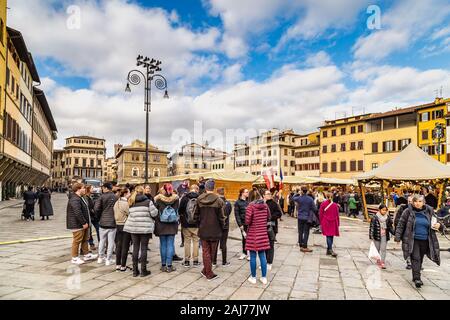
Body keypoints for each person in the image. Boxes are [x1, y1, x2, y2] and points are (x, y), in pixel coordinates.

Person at [395, 195, 443, 288]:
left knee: (420, 258)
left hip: (426, 240)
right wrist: (397, 237)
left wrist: (439, 226)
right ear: (412, 202)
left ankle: (415, 274)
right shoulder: (407, 211)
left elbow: (437, 221)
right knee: (415, 257)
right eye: (416, 201)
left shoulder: (429, 211)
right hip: (413, 239)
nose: (418, 203)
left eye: (420, 201)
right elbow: (401, 224)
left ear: (423, 202)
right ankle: (417, 278)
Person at [194, 179, 225, 281]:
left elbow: (195, 215)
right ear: (213, 188)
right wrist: (222, 226)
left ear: (206, 187)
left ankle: (205, 270)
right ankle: (209, 273)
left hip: (203, 228)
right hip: (215, 229)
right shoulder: (219, 200)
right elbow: (221, 217)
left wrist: (199, 224)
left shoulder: (199, 199)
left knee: (206, 251)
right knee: (212, 252)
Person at [124, 186, 158, 277]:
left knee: (135, 248)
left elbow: (128, 213)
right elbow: (154, 213)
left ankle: (135, 271)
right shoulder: (148, 202)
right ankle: (143, 270)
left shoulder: (131, 201)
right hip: (145, 228)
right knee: (143, 248)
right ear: (143, 192)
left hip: (133, 228)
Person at [66, 183, 98, 264]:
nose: (85, 189)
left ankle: (86, 254)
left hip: (83, 223)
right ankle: (74, 258)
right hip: (77, 224)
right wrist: (83, 222)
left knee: (85, 239)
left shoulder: (80, 197)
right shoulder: (74, 199)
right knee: (77, 241)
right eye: (83, 188)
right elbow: (77, 212)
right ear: (78, 189)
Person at [245, 188, 271, 285]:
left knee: (252, 256)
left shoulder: (250, 206)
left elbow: (247, 221)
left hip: (253, 233)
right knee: (262, 255)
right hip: (263, 233)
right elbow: (269, 217)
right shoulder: (265, 205)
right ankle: (264, 278)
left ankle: (253, 277)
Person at [154, 183, 180, 273]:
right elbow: (177, 211)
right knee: (170, 244)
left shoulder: (158, 199)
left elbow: (155, 213)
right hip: (172, 225)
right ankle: (169, 265)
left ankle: (163, 265)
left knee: (163, 245)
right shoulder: (176, 199)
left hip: (161, 225)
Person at [94, 182, 118, 266]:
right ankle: (108, 259)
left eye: (103, 188)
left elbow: (96, 209)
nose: (102, 189)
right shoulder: (115, 197)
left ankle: (100, 258)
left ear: (106, 188)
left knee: (102, 240)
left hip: (103, 221)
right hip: (112, 221)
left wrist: (99, 216)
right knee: (111, 241)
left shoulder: (101, 197)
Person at [179, 184, 201, 268]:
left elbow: (180, 210)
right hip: (196, 224)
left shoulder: (185, 198)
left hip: (186, 224)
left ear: (190, 189)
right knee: (196, 242)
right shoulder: (200, 198)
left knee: (187, 242)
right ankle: (195, 261)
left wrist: (182, 219)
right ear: (197, 190)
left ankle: (187, 261)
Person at [370, 204, 394, 269]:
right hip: (376, 235)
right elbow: (372, 227)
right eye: (383, 210)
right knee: (377, 249)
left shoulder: (388, 217)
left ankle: (382, 262)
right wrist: (371, 236)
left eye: (385, 210)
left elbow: (390, 227)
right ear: (379, 210)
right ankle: (378, 260)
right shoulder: (375, 217)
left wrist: (394, 233)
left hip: (384, 236)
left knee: (383, 249)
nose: (384, 211)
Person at [212, 187, 232, 267]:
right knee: (223, 243)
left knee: (215, 244)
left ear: (217, 193)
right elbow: (229, 212)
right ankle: (224, 261)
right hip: (225, 225)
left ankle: (214, 261)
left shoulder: (215, 203)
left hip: (216, 226)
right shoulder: (228, 203)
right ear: (224, 193)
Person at [293, 187, 317, 253]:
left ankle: (301, 244)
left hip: (300, 217)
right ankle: (305, 246)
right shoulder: (310, 199)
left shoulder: (299, 198)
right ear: (306, 191)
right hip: (307, 217)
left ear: (301, 191)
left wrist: (297, 193)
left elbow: (293, 197)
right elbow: (315, 208)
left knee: (300, 231)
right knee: (306, 232)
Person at [263, 189, 282, 270]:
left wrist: (270, 218)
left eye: (270, 194)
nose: (269, 195)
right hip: (262, 228)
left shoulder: (274, 203)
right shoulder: (261, 203)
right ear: (263, 195)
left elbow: (279, 213)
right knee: (264, 246)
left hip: (271, 228)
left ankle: (269, 262)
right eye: (267, 194)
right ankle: (265, 262)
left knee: (270, 245)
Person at [114, 188, 131, 272]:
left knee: (118, 245)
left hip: (117, 225)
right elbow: (129, 213)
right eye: (129, 192)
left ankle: (117, 264)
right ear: (125, 194)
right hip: (125, 225)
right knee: (125, 246)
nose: (130, 194)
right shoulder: (125, 203)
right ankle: (123, 265)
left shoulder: (117, 202)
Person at [319, 192, 340, 257]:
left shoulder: (323, 204)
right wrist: (338, 223)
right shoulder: (335, 205)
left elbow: (320, 214)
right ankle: (330, 250)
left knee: (328, 235)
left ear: (326, 196)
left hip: (325, 221)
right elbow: (337, 215)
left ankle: (329, 250)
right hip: (333, 222)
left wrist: (321, 222)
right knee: (331, 235)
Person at [234, 188, 250, 260]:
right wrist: (240, 225)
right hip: (243, 224)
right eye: (246, 192)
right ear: (242, 193)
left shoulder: (248, 202)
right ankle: (244, 253)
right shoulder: (237, 203)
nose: (248, 193)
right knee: (244, 238)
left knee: (249, 238)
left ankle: (249, 253)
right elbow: (236, 215)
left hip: (249, 223)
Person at [86, 185, 99, 251]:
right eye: (92, 188)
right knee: (89, 231)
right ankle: (91, 244)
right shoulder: (86, 197)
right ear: (88, 189)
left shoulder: (90, 196)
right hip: (90, 216)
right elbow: (88, 207)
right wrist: (92, 210)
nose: (93, 189)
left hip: (93, 216)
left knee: (98, 228)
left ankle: (100, 242)